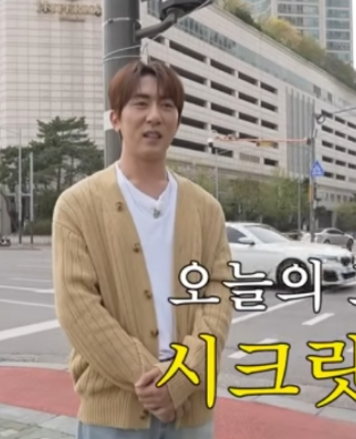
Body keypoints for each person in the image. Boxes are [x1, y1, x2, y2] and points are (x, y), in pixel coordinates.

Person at [52, 60, 234, 439]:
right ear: (116, 118)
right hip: (112, 412)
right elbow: (77, 307)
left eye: (167, 105)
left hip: (191, 409)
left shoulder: (206, 208)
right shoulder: (77, 205)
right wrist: (152, 380)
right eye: (141, 103)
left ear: (177, 122)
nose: (154, 115)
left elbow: (218, 295)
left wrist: (181, 378)